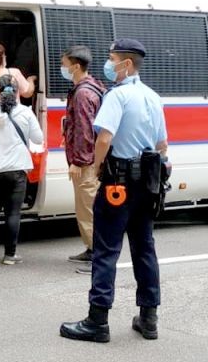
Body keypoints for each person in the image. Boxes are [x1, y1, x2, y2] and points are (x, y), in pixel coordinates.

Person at [60, 38, 168, 344]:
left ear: (126, 64)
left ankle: (98, 320)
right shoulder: (152, 97)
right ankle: (149, 318)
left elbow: (104, 138)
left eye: (112, 59)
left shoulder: (118, 97)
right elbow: (162, 146)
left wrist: (95, 167)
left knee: (106, 249)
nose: (108, 66)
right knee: (144, 248)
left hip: (118, 182)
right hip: (148, 183)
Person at [0, 73, 43, 265]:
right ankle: (10, 255)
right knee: (13, 212)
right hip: (17, 169)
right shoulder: (25, 112)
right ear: (17, 92)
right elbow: (38, 139)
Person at [60, 45, 106, 272]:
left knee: (88, 209)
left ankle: (98, 256)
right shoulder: (89, 88)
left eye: (64, 65)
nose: (62, 69)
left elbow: (85, 130)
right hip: (86, 159)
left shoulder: (83, 93)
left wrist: (77, 161)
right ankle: (91, 249)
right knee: (85, 208)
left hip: (85, 163)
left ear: (76, 66)